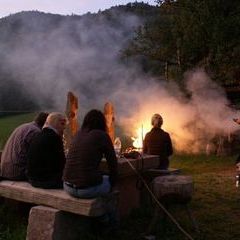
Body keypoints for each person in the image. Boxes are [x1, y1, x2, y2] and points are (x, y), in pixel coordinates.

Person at [63, 109, 118, 199]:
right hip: (87, 190)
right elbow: (113, 164)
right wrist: (113, 184)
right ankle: (109, 212)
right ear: (102, 122)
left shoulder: (78, 134)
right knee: (112, 185)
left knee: (100, 177)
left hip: (68, 186)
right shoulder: (102, 135)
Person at [0, 112, 48, 180]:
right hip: (18, 172)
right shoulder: (36, 132)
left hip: (5, 170)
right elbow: (37, 157)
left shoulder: (24, 126)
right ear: (46, 123)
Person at [27, 112, 67, 189]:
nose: (64, 128)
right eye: (63, 124)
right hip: (45, 181)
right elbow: (61, 164)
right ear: (59, 123)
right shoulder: (54, 137)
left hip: (32, 179)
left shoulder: (38, 134)